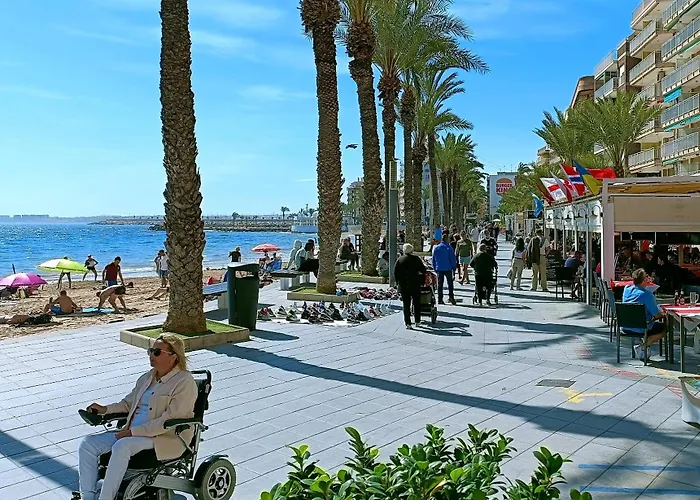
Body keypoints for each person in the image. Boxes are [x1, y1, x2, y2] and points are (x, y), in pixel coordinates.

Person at [77, 334, 198, 500]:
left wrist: (132, 433)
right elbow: (127, 404)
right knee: (88, 444)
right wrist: (104, 409)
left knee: (122, 446)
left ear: (173, 357)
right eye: (150, 351)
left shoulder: (184, 382)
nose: (151, 355)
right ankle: (88, 497)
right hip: (132, 433)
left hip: (164, 437)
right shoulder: (147, 378)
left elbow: (168, 421)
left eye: (157, 352)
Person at [622, 269, 667, 361]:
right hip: (641, 327)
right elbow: (656, 315)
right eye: (646, 277)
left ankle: (644, 344)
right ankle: (644, 346)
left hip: (625, 325)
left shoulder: (626, 289)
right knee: (666, 327)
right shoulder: (647, 295)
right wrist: (664, 314)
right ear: (644, 281)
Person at [394, 243, 426, 329]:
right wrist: (421, 279)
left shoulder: (400, 260)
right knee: (416, 303)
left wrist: (397, 283)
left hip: (404, 286)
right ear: (412, 250)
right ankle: (417, 321)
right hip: (415, 285)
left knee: (406, 305)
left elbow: (396, 273)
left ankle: (408, 323)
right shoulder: (416, 259)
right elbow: (423, 270)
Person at [432, 234, 457, 305]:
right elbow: (452, 259)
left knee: (440, 284)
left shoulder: (437, 248)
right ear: (447, 239)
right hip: (448, 268)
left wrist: (435, 268)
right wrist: (454, 268)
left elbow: (433, 259)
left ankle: (440, 299)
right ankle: (451, 297)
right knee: (450, 284)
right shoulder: (449, 248)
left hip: (439, 268)